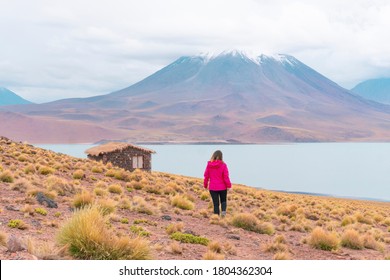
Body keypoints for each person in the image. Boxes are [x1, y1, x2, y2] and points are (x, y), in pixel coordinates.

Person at [203, 150, 231, 217]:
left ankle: (216, 217)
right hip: (222, 187)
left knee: (216, 203)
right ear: (221, 156)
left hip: (212, 188)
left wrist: (205, 185)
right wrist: (229, 186)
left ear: (213, 156)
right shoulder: (223, 165)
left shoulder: (209, 165)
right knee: (223, 201)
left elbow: (206, 176)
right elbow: (226, 176)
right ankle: (223, 215)